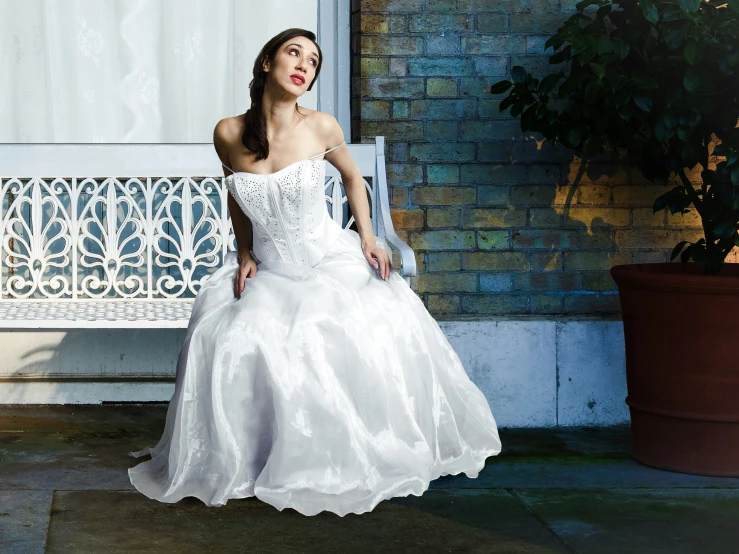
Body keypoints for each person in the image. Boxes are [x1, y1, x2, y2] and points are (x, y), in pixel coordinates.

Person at [127, 28, 501, 517]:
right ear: (267, 63)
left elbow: (350, 177)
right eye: (293, 52)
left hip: (327, 259)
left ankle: (336, 458)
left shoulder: (321, 126)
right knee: (227, 336)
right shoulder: (227, 133)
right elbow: (235, 197)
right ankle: (252, 457)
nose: (304, 64)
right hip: (270, 269)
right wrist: (244, 254)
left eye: (314, 61)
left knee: (330, 327)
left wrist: (368, 238)